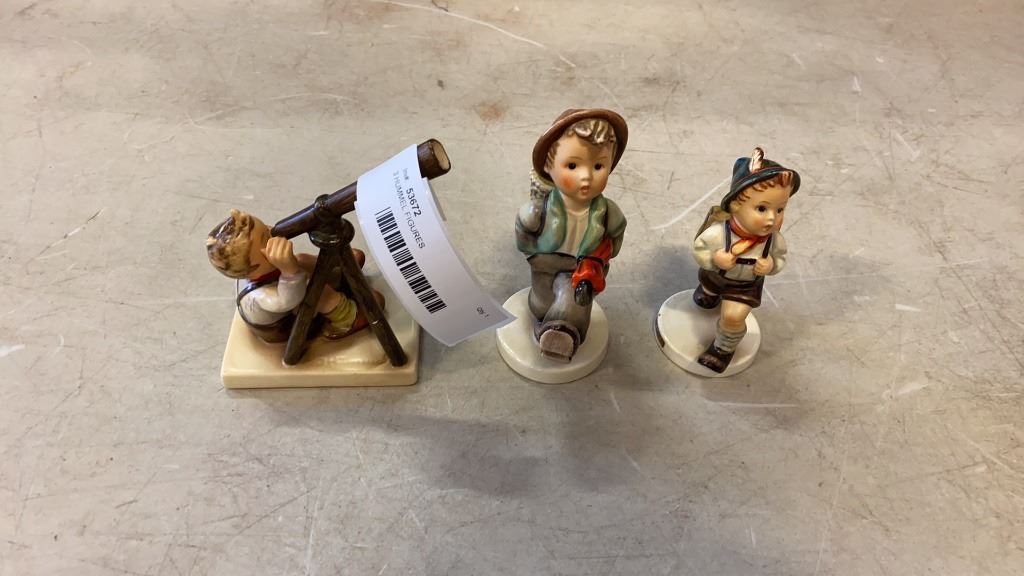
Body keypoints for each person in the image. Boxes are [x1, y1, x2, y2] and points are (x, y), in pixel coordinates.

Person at [515, 109, 628, 362]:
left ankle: (563, 335)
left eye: (598, 166)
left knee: (572, 301)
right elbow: (523, 236)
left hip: (581, 268)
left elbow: (615, 238)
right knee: (541, 303)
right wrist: (533, 253)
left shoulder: (608, 213)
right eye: (573, 166)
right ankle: (547, 323)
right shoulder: (540, 210)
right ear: (549, 165)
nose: (586, 176)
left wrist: (601, 259)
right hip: (545, 263)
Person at [691, 147, 800, 372]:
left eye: (780, 209)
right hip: (715, 277)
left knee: (732, 317)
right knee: (708, 289)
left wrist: (771, 265)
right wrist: (714, 259)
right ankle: (709, 294)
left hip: (745, 286)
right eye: (762, 208)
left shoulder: (773, 241)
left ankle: (723, 349)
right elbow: (700, 249)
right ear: (735, 206)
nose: (772, 218)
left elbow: (780, 257)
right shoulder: (719, 233)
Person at [206, 209, 381, 343]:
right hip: (283, 326)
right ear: (252, 269)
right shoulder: (259, 296)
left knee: (301, 259)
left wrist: (291, 269)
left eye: (266, 227)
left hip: (287, 299)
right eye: (266, 238)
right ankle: (346, 318)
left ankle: (337, 275)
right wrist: (290, 273)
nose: (272, 232)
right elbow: (287, 301)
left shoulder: (258, 270)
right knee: (315, 290)